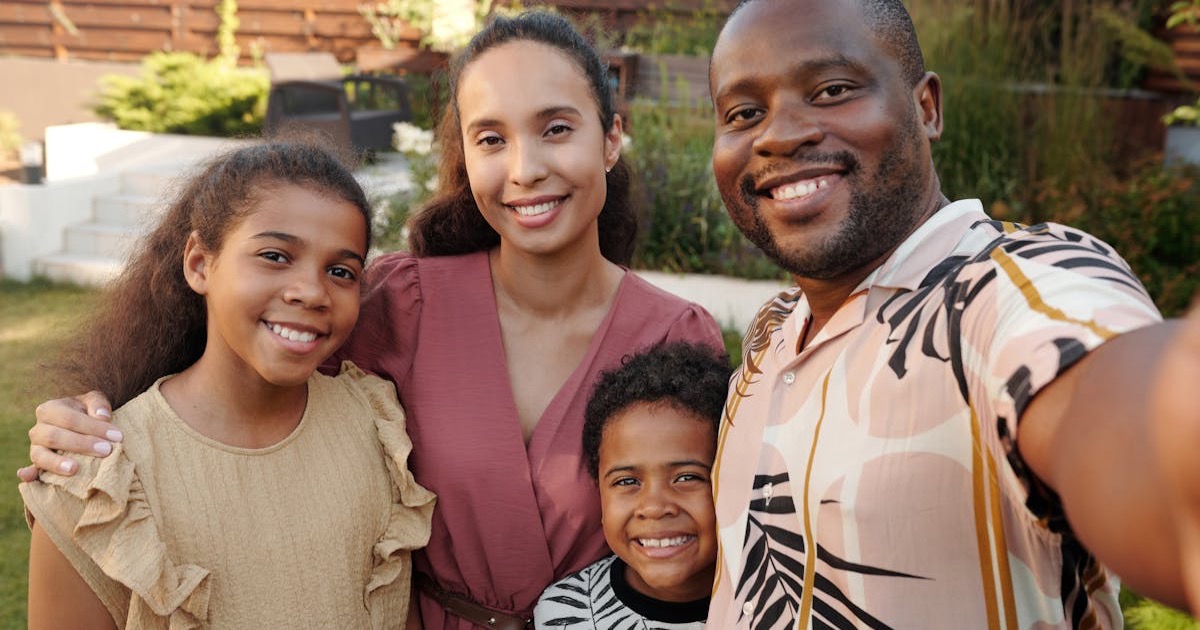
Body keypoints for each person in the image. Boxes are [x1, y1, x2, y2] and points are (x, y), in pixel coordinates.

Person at [20, 11, 726, 629]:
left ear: (610, 139)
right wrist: (87, 457)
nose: (525, 168)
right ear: (464, 157)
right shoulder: (400, 302)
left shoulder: (673, 338)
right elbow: (243, 374)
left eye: (556, 129)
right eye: (490, 139)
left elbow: (712, 544)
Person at [704, 0, 1200, 628]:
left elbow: (1122, 416)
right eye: (744, 112)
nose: (777, 134)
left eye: (831, 90)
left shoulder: (1004, 291)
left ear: (926, 107)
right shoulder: (769, 340)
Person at [19, 141, 436, 628]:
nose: (311, 291)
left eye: (340, 271)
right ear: (199, 264)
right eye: (275, 255)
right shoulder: (101, 484)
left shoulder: (377, 427)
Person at [534, 341, 731, 629]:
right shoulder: (563, 613)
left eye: (687, 477)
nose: (654, 507)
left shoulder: (778, 604)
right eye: (627, 481)